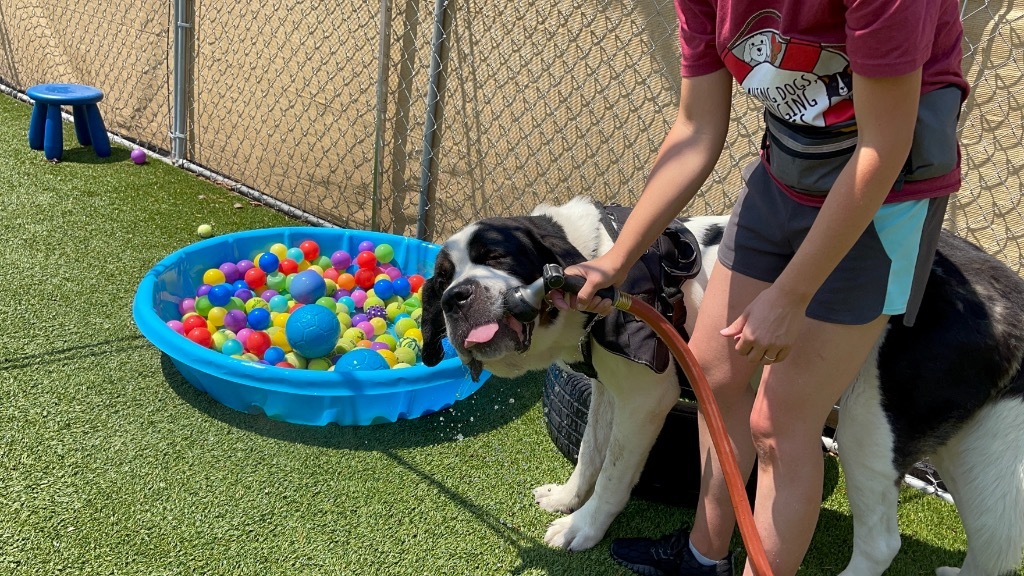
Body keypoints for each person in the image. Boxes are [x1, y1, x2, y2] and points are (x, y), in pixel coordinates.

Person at [552, 1, 969, 574]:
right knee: (715, 372)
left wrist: (791, 295)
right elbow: (697, 127)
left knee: (780, 422)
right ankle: (705, 557)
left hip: (886, 200)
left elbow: (883, 148)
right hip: (787, 175)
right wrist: (618, 260)